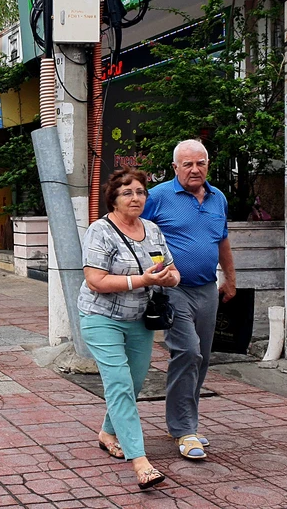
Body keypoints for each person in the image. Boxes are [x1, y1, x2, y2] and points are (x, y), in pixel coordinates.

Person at [79, 168, 180, 489]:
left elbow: (172, 270)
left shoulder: (151, 230)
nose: (135, 198)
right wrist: (143, 280)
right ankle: (140, 461)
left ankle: (108, 432)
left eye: (140, 192)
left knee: (133, 384)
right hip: (101, 318)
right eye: (127, 193)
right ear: (114, 198)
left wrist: (168, 278)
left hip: (140, 319)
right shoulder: (101, 231)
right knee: (120, 383)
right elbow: (95, 281)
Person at [141, 139, 236, 461]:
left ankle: (184, 422)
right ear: (175, 167)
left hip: (208, 288)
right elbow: (134, 230)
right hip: (173, 289)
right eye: (187, 164)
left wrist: (230, 279)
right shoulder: (157, 197)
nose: (195, 170)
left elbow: (221, 240)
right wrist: (154, 270)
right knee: (188, 352)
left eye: (201, 163)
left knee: (203, 357)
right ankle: (184, 430)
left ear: (208, 164)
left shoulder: (217, 197)